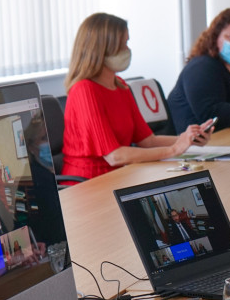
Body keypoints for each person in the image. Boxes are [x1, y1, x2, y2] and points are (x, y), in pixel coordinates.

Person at [61, 13, 211, 180]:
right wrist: (174, 149)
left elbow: (148, 141)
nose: (128, 50)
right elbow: (115, 156)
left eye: (127, 43)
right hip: (87, 184)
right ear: (102, 49)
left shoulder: (120, 85)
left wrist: (187, 139)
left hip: (119, 176)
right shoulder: (84, 90)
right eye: (122, 45)